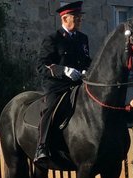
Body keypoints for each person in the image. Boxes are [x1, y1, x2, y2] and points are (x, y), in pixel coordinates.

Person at [34, 1, 91, 164]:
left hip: (78, 83)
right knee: (50, 108)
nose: (80, 20)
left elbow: (86, 60)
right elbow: (41, 65)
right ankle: (42, 146)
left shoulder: (82, 39)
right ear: (65, 18)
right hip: (57, 85)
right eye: (76, 17)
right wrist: (64, 71)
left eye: (80, 17)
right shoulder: (53, 39)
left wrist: (89, 70)